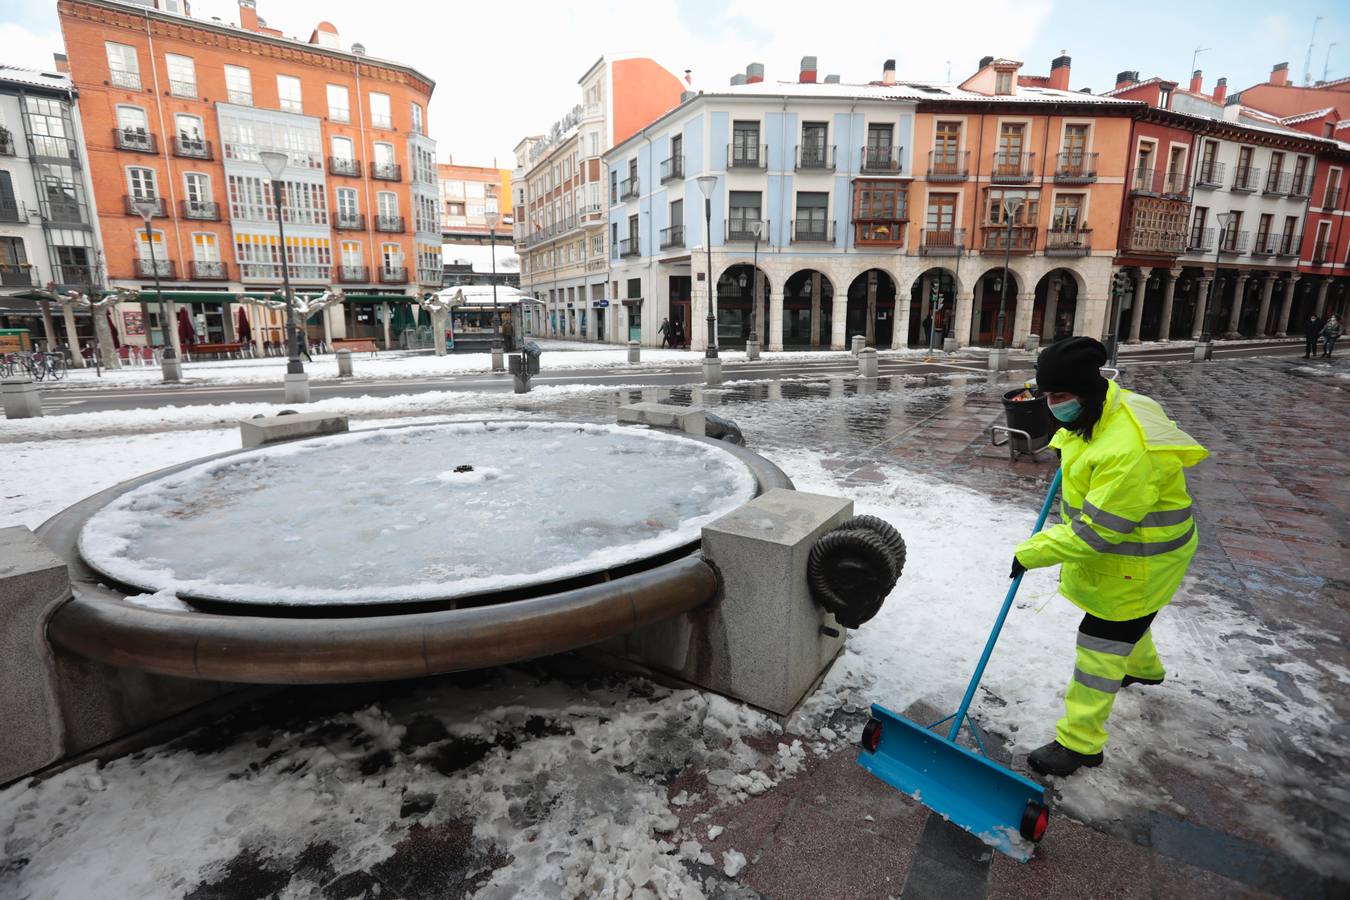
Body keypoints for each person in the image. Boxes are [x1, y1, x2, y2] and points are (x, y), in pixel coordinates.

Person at [1010, 337, 1208, 777]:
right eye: (1046, 395)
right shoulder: (1107, 409)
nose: (1051, 404)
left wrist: (1032, 552)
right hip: (1151, 550)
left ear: (1087, 390)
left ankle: (1079, 744)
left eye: (1059, 397)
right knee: (1134, 616)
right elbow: (1088, 441)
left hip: (1142, 558)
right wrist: (1069, 438)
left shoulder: (1129, 450)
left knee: (1100, 645)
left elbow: (1098, 533)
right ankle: (1146, 670)